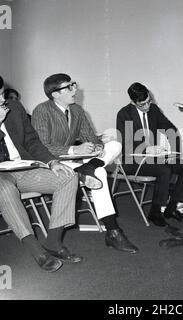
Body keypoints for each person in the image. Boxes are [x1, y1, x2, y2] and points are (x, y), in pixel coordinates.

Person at [32, 73, 138, 254]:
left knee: (115, 144)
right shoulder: (42, 110)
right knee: (101, 173)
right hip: (53, 162)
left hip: (78, 162)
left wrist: (95, 147)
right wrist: (74, 150)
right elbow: (42, 146)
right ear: (55, 94)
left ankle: (90, 167)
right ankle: (113, 231)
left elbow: (91, 137)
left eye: (73, 85)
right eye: (69, 87)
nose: (75, 90)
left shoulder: (77, 111)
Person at [0, 75, 82, 272]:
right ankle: (36, 251)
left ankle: (53, 242)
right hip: (1, 177)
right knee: (4, 188)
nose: (2, 100)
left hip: (22, 167)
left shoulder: (15, 107)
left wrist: (51, 162)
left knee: (68, 176)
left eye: (2, 94)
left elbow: (32, 140)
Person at [116, 82, 183, 227]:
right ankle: (155, 211)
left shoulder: (154, 110)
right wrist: (146, 150)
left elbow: (171, 130)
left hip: (153, 159)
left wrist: (173, 154)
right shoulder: (124, 114)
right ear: (133, 102)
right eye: (142, 104)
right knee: (164, 170)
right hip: (132, 160)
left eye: (149, 101)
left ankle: (172, 207)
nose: (147, 106)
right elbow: (126, 144)